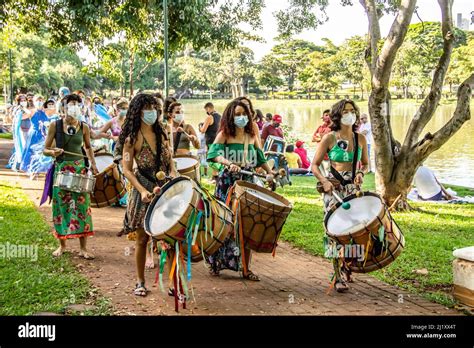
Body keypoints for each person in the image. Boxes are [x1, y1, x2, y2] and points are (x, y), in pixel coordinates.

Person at [207, 99, 275, 282]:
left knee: (246, 225)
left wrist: (271, 174)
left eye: (244, 114)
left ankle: (246, 268)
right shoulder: (224, 134)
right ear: (230, 115)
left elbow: (261, 159)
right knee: (224, 223)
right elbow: (212, 155)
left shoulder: (252, 135)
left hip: (247, 183)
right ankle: (216, 263)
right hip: (227, 184)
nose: (241, 117)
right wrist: (228, 163)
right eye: (237, 114)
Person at [119, 93, 177, 297]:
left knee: (168, 238)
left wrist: (173, 172)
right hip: (142, 187)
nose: (152, 112)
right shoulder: (130, 139)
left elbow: (170, 156)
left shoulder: (162, 131)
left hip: (164, 187)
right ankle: (140, 282)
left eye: (154, 108)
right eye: (147, 108)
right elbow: (126, 169)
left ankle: (173, 284)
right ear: (138, 111)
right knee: (142, 239)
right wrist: (142, 190)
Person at [311, 99, 369, 293]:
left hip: (353, 188)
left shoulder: (360, 138)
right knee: (334, 232)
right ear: (338, 115)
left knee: (353, 230)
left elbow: (366, 164)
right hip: (333, 189)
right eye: (345, 111)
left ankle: (348, 267)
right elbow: (314, 165)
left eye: (352, 111)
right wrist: (324, 181)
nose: (349, 114)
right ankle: (336, 275)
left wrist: (361, 173)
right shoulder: (329, 138)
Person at [43, 93, 99, 259]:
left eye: (77, 104)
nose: (74, 107)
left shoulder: (84, 127)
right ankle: (62, 246)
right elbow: (45, 149)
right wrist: (53, 151)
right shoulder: (55, 125)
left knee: (82, 208)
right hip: (62, 169)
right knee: (61, 207)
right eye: (71, 104)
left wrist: (93, 164)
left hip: (79, 170)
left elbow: (88, 148)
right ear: (64, 107)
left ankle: (83, 248)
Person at [199, 102, 221, 181]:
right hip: (218, 141)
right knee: (217, 159)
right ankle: (215, 176)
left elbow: (203, 130)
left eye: (206, 110)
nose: (206, 112)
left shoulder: (209, 117)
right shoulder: (220, 116)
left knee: (210, 159)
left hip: (210, 141)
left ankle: (214, 177)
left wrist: (200, 126)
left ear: (208, 108)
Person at [313, 109, 332, 176]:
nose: (328, 117)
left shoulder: (333, 127)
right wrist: (321, 137)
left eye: (329, 115)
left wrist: (320, 137)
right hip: (319, 153)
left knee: (329, 173)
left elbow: (330, 138)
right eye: (326, 115)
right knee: (321, 174)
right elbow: (313, 138)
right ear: (323, 117)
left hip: (329, 154)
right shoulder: (320, 127)